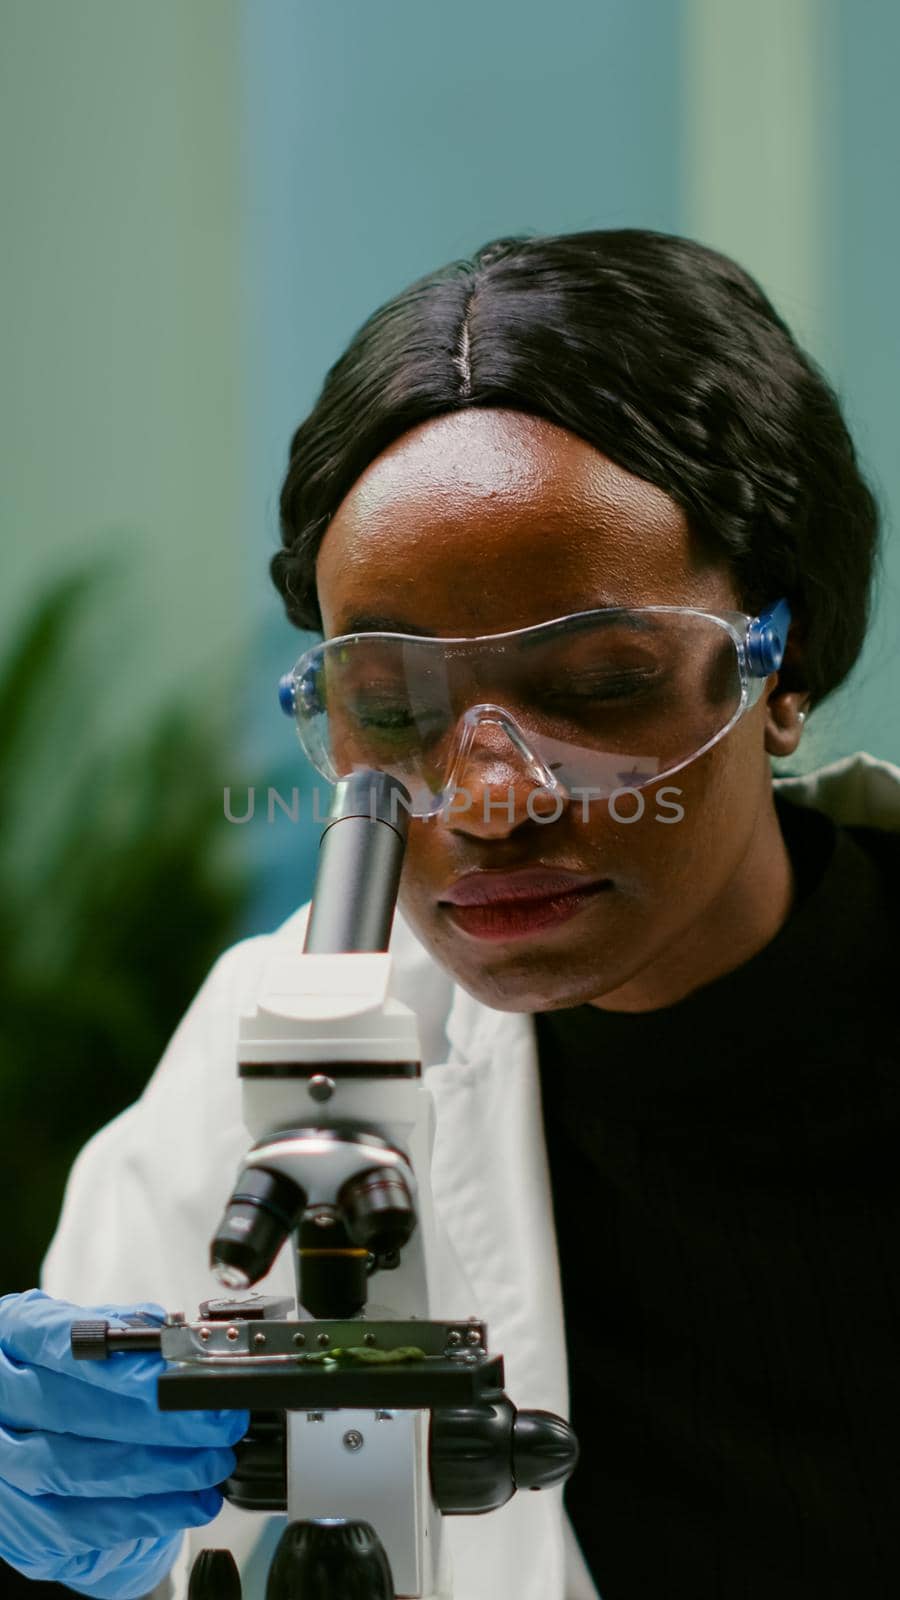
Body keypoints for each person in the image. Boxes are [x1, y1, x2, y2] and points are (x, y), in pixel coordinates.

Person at [3, 228, 898, 1599]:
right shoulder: (290, 1030)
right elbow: (135, 1530)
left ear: (781, 674)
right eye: (393, 705)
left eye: (601, 682)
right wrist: (58, 1491)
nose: (484, 798)